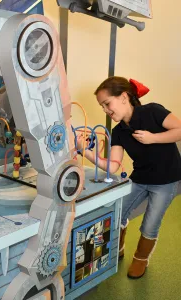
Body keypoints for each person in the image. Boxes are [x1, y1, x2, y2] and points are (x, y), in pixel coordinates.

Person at [77, 76, 181, 279]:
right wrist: (86, 152)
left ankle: (141, 259)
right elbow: (113, 166)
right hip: (140, 177)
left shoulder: (153, 111)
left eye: (107, 104)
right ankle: (119, 246)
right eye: (102, 106)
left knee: (151, 223)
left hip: (167, 179)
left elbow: (179, 130)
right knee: (118, 211)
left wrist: (152, 138)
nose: (106, 110)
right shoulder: (119, 132)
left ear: (124, 97)